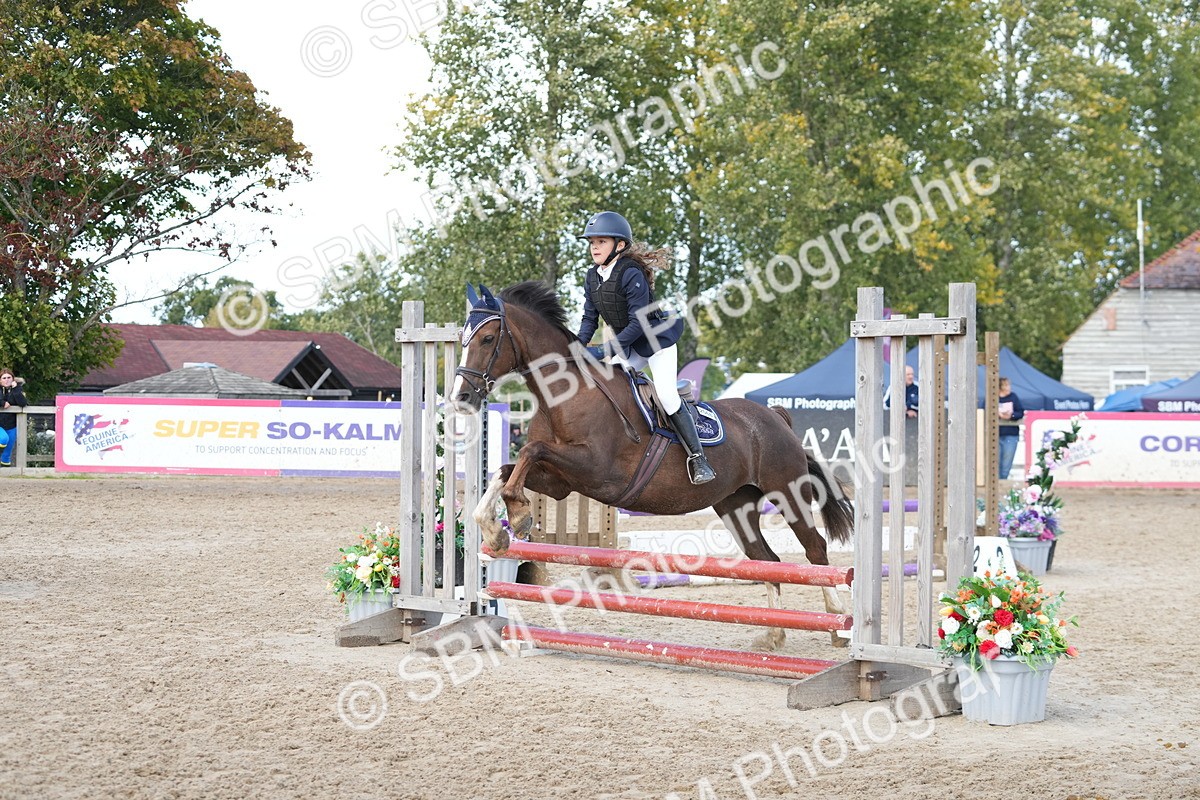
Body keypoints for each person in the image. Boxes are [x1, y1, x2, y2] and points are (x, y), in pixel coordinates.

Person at [575, 211, 715, 485]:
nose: (594, 247)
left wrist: (605, 351)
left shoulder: (631, 272)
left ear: (620, 245)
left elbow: (639, 323)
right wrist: (577, 346)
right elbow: (589, 318)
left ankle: (699, 460)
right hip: (628, 346)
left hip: (656, 344)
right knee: (608, 384)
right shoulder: (592, 277)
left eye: (601, 241)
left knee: (666, 396)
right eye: (591, 242)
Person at [998, 376, 1024, 480]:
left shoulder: (1013, 397)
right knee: (995, 461)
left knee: (1006, 462)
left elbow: (1020, 412)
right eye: (1006, 385)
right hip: (996, 433)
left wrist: (1011, 416)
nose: (1009, 387)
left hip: (1011, 433)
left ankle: (1003, 481)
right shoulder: (993, 397)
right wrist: (998, 414)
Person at [0, 368, 28, 467]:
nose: (6, 380)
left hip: (11, 425)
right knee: (3, 439)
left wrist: (15, 390)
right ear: (0, 380)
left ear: (13, 379)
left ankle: (7, 476)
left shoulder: (18, 388)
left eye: (9, 377)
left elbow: (23, 403)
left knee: (6, 456)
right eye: (4, 378)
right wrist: (2, 403)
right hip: (0, 424)